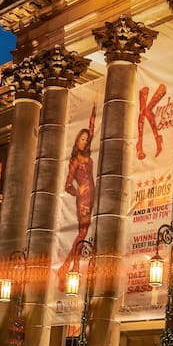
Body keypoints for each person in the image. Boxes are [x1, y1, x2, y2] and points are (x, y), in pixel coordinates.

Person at [62, 112, 97, 270]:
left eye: (86, 139)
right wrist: (78, 191)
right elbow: (67, 185)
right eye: (81, 139)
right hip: (83, 199)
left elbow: (92, 128)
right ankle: (67, 266)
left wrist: (95, 109)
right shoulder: (75, 161)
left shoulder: (87, 156)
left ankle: (74, 265)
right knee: (82, 233)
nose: (84, 141)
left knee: (83, 232)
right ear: (76, 141)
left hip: (92, 196)